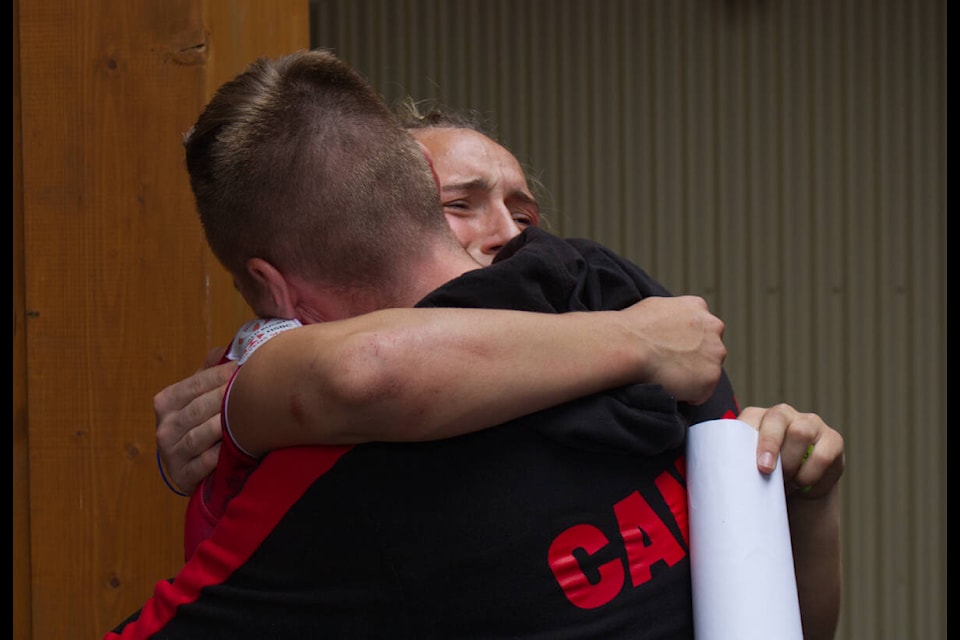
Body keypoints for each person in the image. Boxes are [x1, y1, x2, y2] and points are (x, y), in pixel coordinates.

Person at [117, 49, 842, 639]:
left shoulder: (650, 339)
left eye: (526, 210)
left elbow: (766, 621)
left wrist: (805, 504)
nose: (509, 234)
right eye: (458, 204)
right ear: (394, 208)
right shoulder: (652, 332)